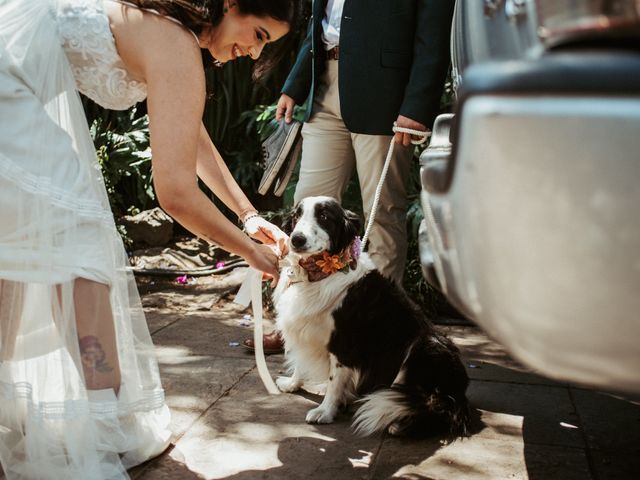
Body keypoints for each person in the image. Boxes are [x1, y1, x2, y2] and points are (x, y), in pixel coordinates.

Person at [0, 0, 299, 477]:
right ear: (230, 4)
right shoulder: (175, 41)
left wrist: (247, 216)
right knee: (74, 235)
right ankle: (106, 422)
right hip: (6, 93)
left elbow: (190, 135)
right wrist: (250, 253)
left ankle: (91, 414)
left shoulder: (172, 34)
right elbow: (175, 193)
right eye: (258, 34)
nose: (250, 51)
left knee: (20, 248)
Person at [244, 0, 455, 354]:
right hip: (325, 85)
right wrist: (295, 84)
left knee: (382, 214)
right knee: (306, 209)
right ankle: (297, 322)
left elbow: (433, 34)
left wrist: (417, 105)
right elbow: (321, 23)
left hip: (385, 95)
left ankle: (379, 333)